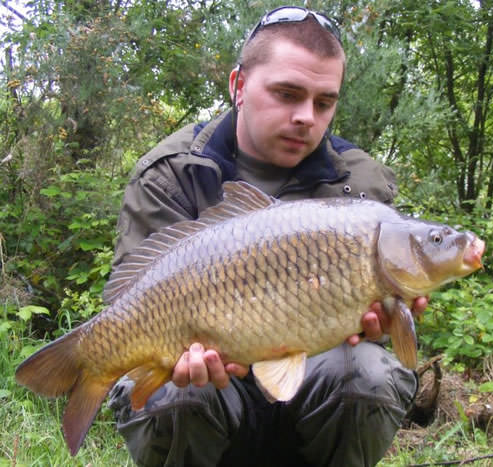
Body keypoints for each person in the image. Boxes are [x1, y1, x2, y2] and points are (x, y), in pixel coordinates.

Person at [108, 6, 427, 467]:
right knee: (177, 390)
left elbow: (373, 334)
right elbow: (128, 304)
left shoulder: (360, 187)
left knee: (367, 374)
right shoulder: (172, 174)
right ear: (238, 86)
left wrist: (381, 320)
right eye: (287, 94)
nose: (306, 117)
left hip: (310, 390)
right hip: (209, 389)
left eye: (324, 102)